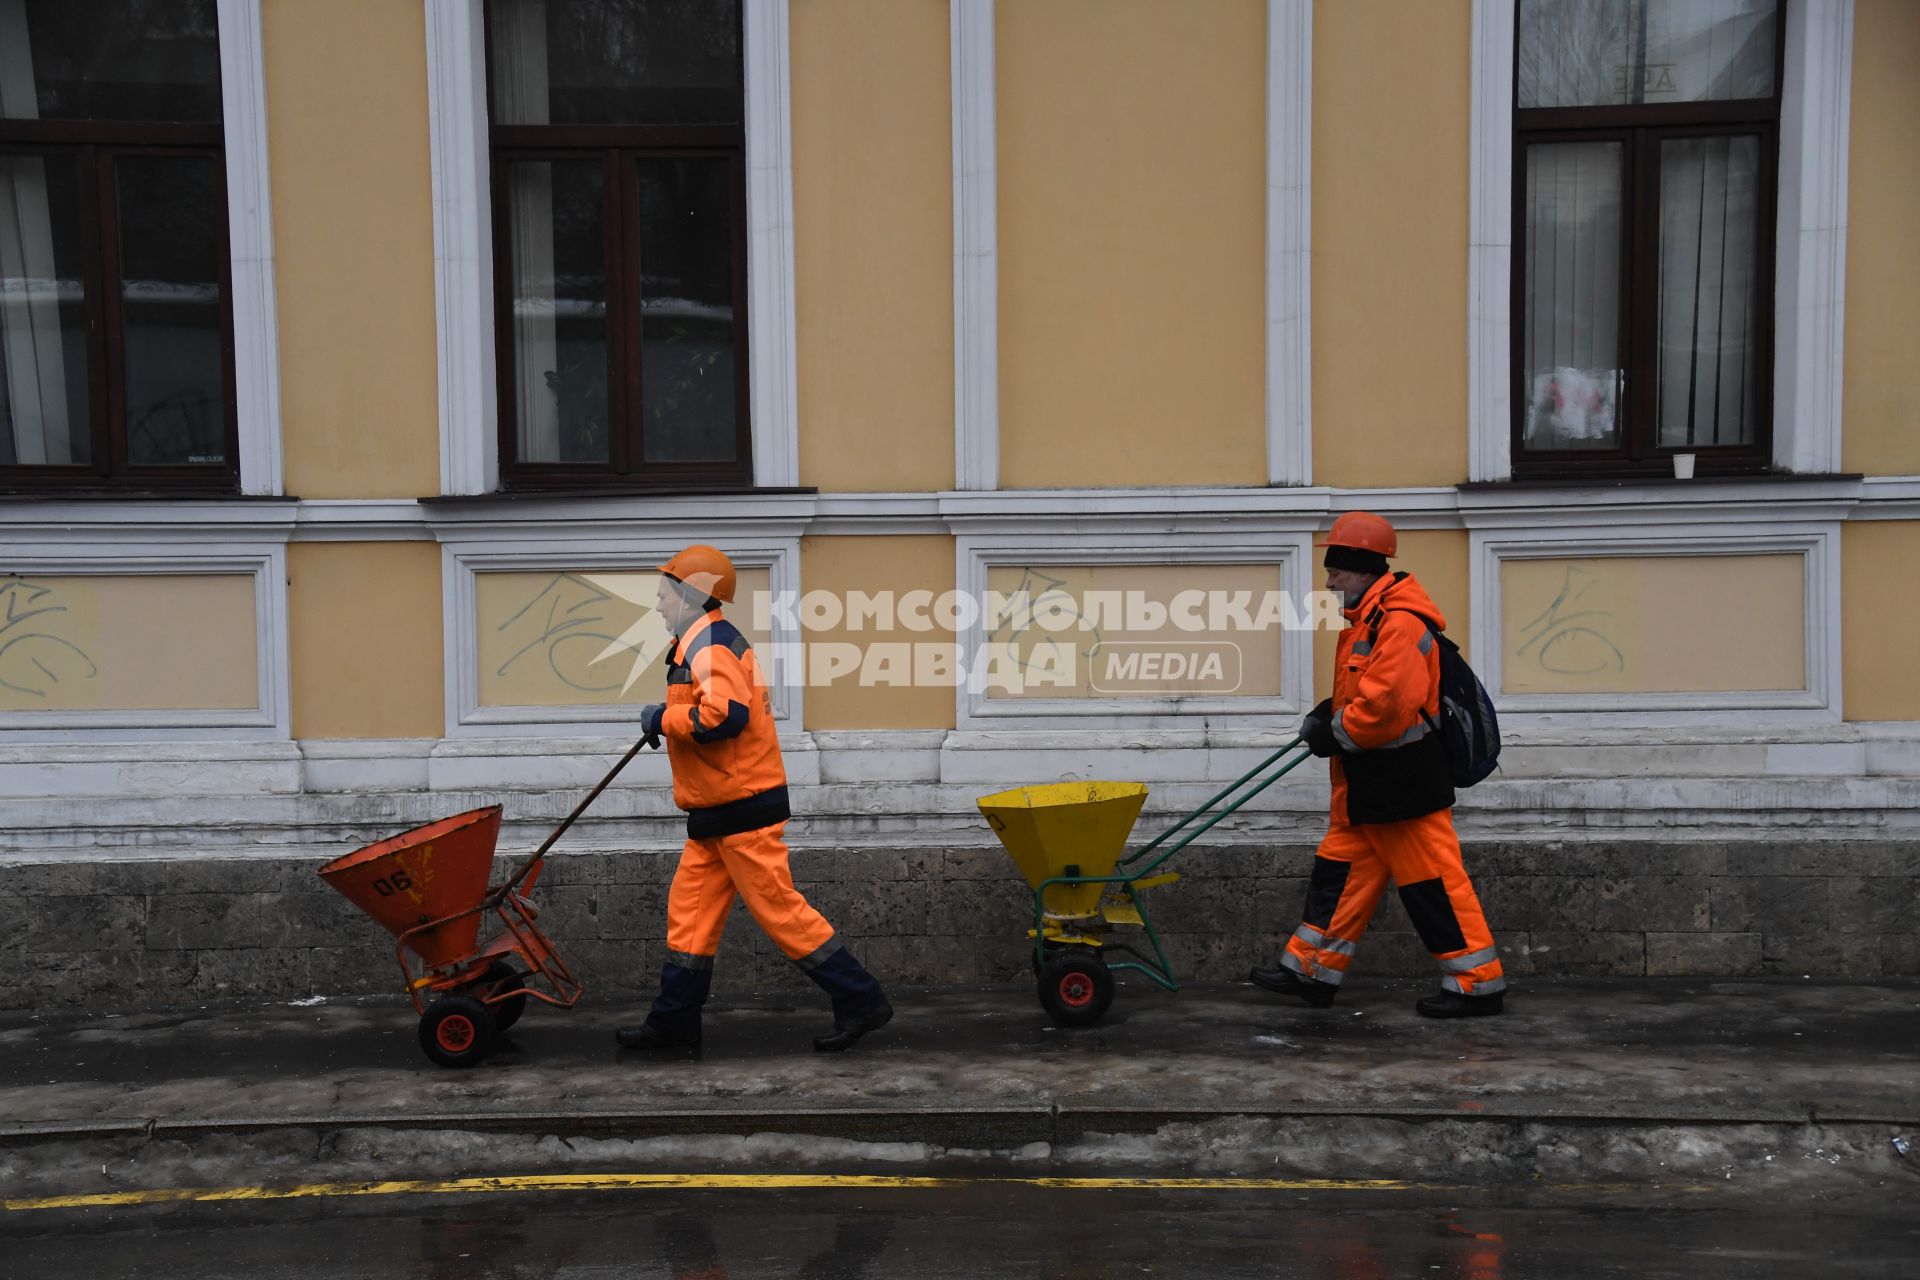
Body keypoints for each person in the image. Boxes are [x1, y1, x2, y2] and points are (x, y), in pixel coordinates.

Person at [617, 544, 894, 1052]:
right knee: (690, 915)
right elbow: (709, 705)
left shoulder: (711, 645)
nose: (657, 603)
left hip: (741, 810)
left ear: (691, 594)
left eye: (663, 593)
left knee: (780, 912)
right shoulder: (697, 643)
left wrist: (662, 720)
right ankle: (674, 1021)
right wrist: (669, 711)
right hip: (716, 812)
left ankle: (862, 1000)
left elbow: (725, 717)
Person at [1251, 512, 1507, 1018]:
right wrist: (1329, 716)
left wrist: (1335, 733)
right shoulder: (1368, 620)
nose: (1328, 582)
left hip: (1404, 787)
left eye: (1336, 572)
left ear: (1363, 569)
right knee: (1339, 872)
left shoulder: (1400, 623)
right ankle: (1311, 969)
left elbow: (1388, 707)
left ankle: (1478, 983)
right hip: (1372, 785)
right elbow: (1366, 694)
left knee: (1433, 881)